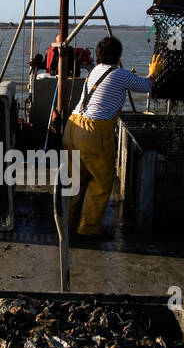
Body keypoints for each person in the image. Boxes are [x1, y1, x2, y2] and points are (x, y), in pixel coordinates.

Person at [61, 36, 160, 238]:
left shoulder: (95, 71)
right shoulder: (119, 74)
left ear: (98, 56)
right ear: (118, 56)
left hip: (72, 126)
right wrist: (153, 72)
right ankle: (88, 230)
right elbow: (148, 86)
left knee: (77, 180)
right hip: (93, 132)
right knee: (102, 181)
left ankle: (68, 222)